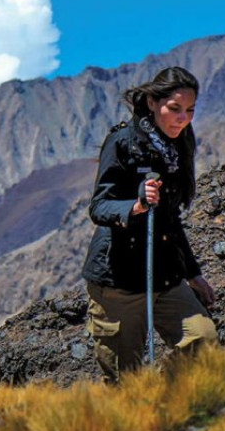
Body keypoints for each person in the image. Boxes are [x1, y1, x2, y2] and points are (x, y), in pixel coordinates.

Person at [81, 66, 218, 383]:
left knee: (202, 342)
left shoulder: (178, 146)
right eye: (174, 109)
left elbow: (170, 220)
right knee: (125, 381)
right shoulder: (122, 143)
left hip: (164, 273)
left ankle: (171, 403)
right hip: (118, 279)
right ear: (153, 102)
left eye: (189, 111)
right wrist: (137, 206)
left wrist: (194, 274)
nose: (182, 118)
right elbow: (99, 206)